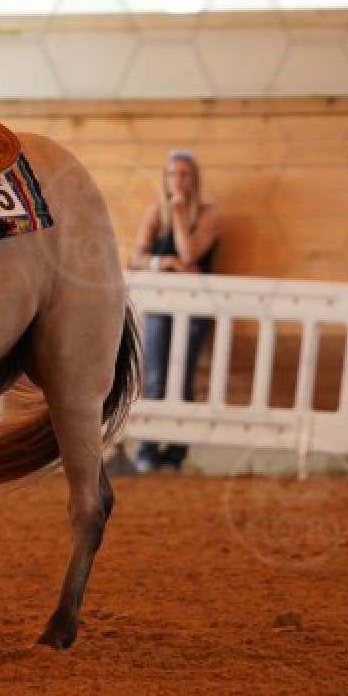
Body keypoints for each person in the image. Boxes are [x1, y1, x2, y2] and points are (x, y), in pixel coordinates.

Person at [128, 149, 221, 473]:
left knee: (181, 379)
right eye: (172, 174)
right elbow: (135, 257)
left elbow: (190, 253)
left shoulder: (208, 215)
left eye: (184, 174)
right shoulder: (156, 213)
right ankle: (147, 451)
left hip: (196, 308)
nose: (178, 180)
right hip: (160, 304)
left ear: (194, 180)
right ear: (164, 179)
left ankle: (174, 456)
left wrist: (180, 217)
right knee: (154, 377)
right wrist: (164, 262)